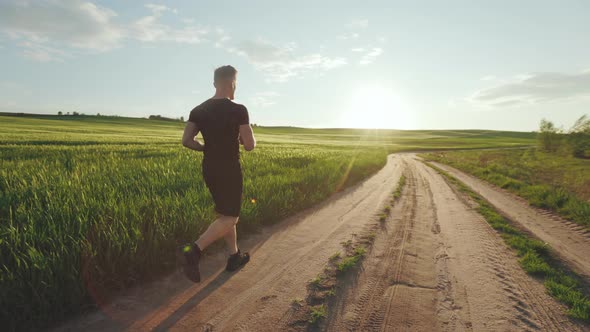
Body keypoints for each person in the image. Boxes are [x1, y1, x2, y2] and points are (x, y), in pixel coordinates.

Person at [180, 65, 256, 283]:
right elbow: (249, 145)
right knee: (231, 216)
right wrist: (248, 138)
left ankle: (234, 256)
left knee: (225, 215)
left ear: (215, 83)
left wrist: (205, 148)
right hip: (229, 168)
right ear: (233, 83)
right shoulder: (239, 109)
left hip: (209, 168)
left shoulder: (198, 109)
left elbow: (186, 141)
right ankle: (194, 250)